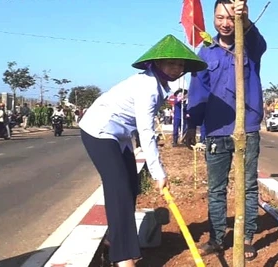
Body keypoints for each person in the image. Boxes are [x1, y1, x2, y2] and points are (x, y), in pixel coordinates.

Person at [78, 34, 207, 267]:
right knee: (118, 188)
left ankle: (114, 240)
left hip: (120, 136)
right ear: (157, 63)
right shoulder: (147, 87)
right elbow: (146, 131)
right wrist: (159, 173)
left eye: (180, 64)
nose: (177, 68)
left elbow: (139, 128)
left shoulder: (160, 86)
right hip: (98, 131)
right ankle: (123, 257)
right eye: (171, 63)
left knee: (130, 187)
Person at [184, 0, 267, 261]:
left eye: (231, 18)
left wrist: (246, 20)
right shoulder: (204, 52)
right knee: (216, 189)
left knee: (248, 186)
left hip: (248, 128)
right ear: (213, 19)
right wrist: (192, 125)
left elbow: (260, 42)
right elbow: (198, 92)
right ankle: (217, 238)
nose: (225, 23)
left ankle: (246, 238)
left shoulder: (248, 45)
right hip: (216, 131)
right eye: (220, 17)